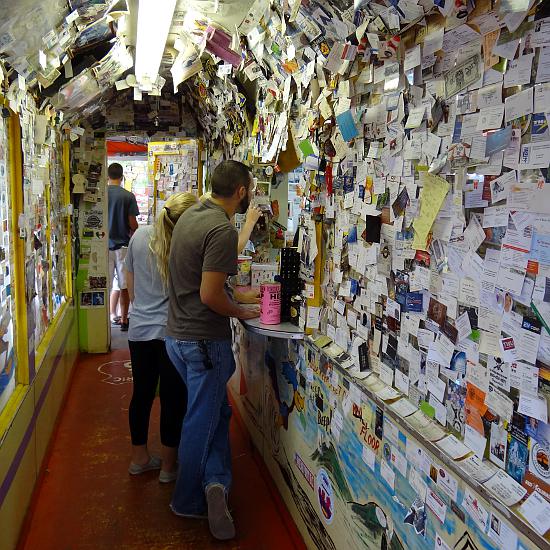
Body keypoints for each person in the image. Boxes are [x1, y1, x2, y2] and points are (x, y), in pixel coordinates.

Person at [165, 160, 259, 541]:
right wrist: (239, 309)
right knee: (202, 422)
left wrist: (234, 293)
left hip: (178, 337)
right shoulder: (219, 228)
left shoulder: (191, 215)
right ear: (241, 191)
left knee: (216, 414)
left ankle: (216, 483)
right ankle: (187, 500)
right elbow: (208, 294)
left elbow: (206, 271)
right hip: (203, 341)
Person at [125, 192, 197, 483]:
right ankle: (168, 468)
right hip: (172, 333)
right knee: (173, 398)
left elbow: (129, 280)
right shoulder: (185, 244)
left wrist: (140, 307)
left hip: (140, 330)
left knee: (141, 395)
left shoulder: (139, 236)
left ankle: (138, 459)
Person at [107, 163, 139, 331]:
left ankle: (109, 316)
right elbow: (132, 223)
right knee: (124, 284)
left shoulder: (101, 194)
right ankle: (124, 320)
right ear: (122, 176)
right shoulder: (128, 196)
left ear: (107, 176)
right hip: (122, 246)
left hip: (103, 246)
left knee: (106, 284)